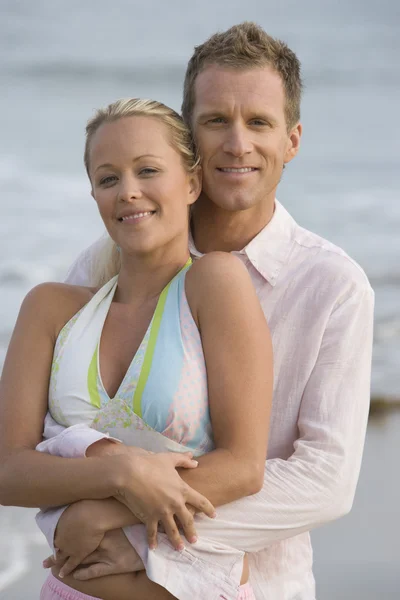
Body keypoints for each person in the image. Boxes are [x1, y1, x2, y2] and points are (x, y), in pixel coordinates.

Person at [38, 21, 374, 600]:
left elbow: (324, 480)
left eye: (260, 123)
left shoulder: (333, 285)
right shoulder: (113, 258)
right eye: (216, 120)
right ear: (189, 140)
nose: (238, 144)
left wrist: (141, 534)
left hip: (258, 588)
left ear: (292, 140)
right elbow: (58, 422)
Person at [0, 98, 273, 600]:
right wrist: (119, 471)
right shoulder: (51, 310)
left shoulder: (213, 283)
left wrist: (105, 508)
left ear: (191, 184)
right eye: (108, 179)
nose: (128, 192)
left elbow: (243, 466)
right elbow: (7, 471)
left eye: (147, 170)